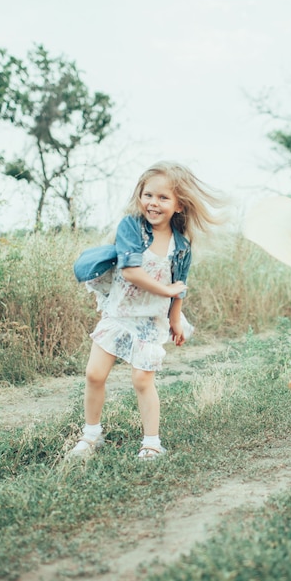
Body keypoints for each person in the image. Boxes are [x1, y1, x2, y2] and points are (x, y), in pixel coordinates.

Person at [69, 161, 223, 460]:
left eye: (163, 198)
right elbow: (130, 272)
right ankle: (91, 436)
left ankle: (151, 443)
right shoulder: (132, 227)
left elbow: (180, 285)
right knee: (94, 374)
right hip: (120, 313)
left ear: (179, 205)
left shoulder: (182, 246)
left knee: (142, 379)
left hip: (151, 320)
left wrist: (175, 320)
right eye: (148, 195)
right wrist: (167, 291)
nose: (153, 203)